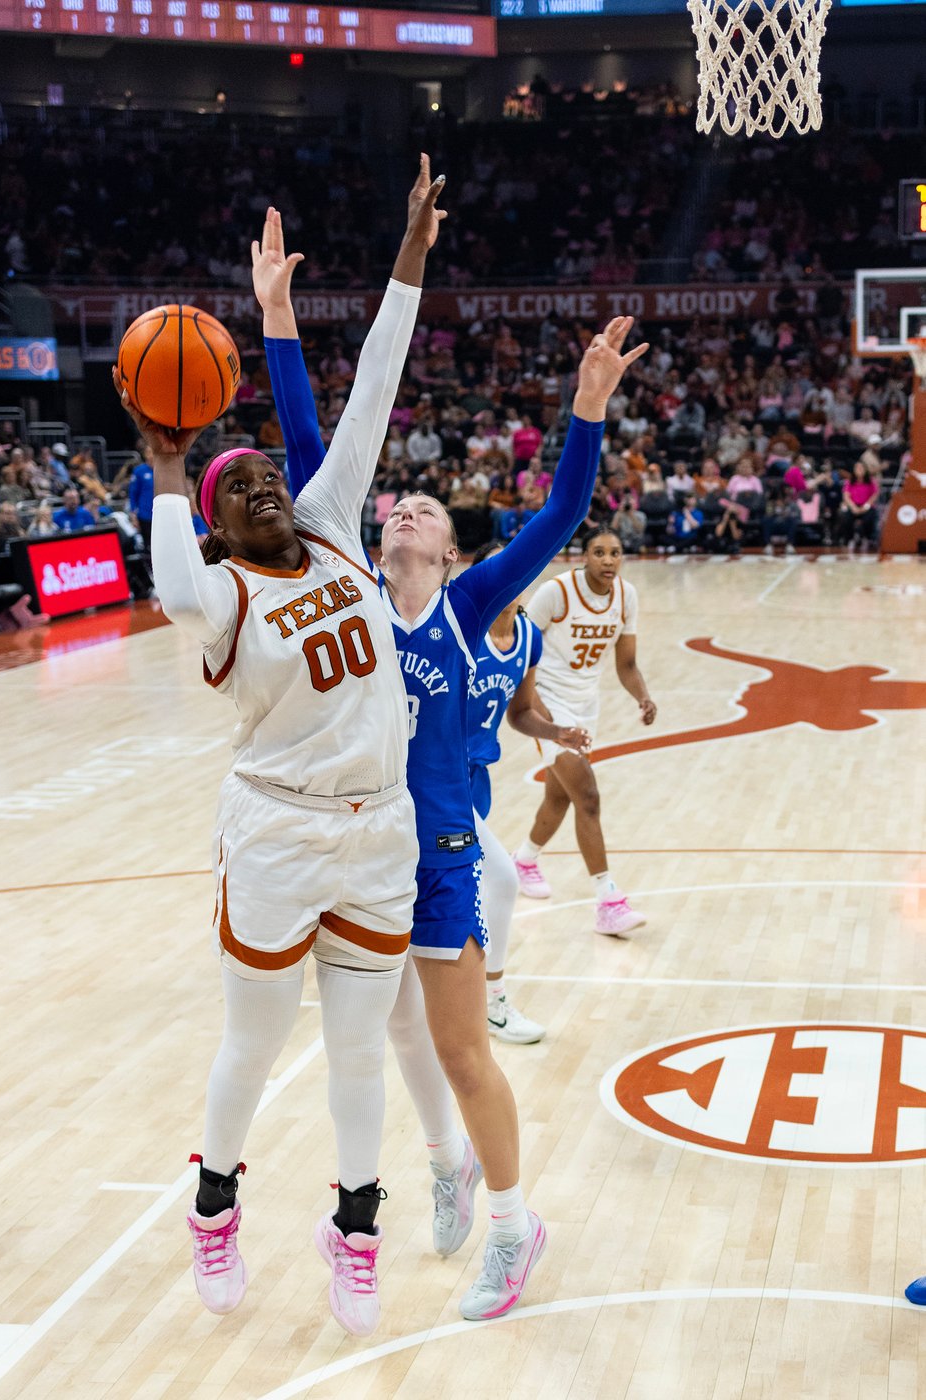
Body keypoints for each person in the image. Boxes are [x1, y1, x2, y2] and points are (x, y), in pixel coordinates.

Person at [269, 270, 648, 1317]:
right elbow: (309, 448)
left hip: (435, 852)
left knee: (458, 1046)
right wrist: (278, 317)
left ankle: (516, 1228)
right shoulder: (346, 579)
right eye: (402, 499)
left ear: (445, 552)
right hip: (350, 852)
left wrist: (586, 405)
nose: (412, 504)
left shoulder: (472, 605)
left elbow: (565, 510)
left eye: (430, 509)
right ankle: (445, 1162)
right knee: (391, 1033)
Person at [113, 158, 446, 1340]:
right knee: (253, 1041)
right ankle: (215, 1204)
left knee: (360, 1049)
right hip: (276, 829)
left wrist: (411, 247)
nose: (259, 474)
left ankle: (356, 1224)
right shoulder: (216, 592)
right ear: (214, 518)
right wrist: (162, 457)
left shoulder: (336, 526)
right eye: (233, 478)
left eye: (265, 467)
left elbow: (376, 390)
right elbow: (167, 584)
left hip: (380, 832)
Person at [467, 540, 592, 1045]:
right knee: (500, 880)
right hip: (432, 777)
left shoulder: (525, 638)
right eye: (494, 564)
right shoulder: (460, 622)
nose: (506, 572)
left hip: (475, 778)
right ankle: (491, 1001)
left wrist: (555, 731)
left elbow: (520, 713)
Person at [512, 526, 657, 935]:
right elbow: (522, 647)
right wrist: (541, 715)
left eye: (615, 553)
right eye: (599, 552)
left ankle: (523, 861)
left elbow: (626, 665)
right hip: (545, 700)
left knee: (560, 795)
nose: (608, 560)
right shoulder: (556, 592)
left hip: (586, 706)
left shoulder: (627, 597)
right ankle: (608, 900)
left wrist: (642, 697)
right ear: (584, 556)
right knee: (588, 796)